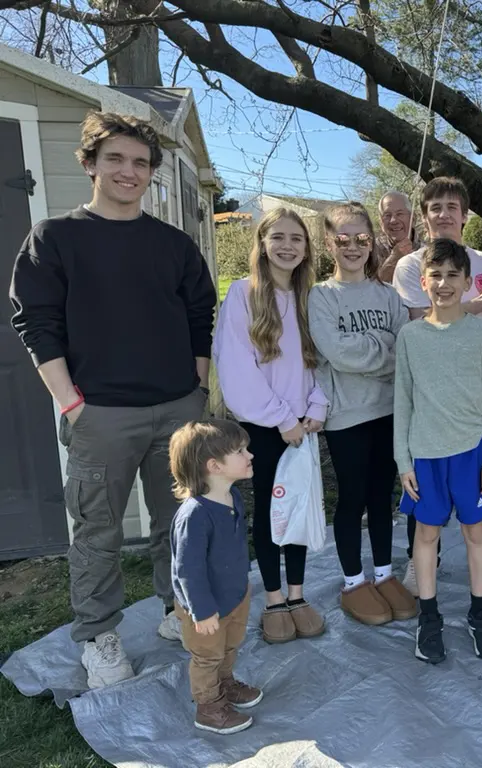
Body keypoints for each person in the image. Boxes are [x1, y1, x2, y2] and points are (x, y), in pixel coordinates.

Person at [8, 111, 215, 688]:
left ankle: (177, 611)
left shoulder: (174, 245)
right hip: (100, 414)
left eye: (140, 163)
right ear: (91, 163)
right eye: (116, 159)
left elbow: (202, 317)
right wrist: (72, 403)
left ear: (152, 173)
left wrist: (196, 389)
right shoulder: (54, 238)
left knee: (179, 521)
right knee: (97, 532)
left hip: (178, 409)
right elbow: (37, 324)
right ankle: (99, 636)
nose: (129, 172)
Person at [392, 176, 482, 595]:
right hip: (431, 395)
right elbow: (420, 317)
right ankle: (423, 559)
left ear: (465, 215)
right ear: (424, 216)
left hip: (476, 387)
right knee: (422, 484)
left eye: (452, 206)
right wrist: (476, 304)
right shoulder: (411, 266)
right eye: (435, 207)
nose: (444, 214)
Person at [213, 207, 328, 645]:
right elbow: (237, 367)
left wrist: (316, 406)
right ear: (261, 243)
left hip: (304, 425)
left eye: (296, 239)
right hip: (266, 425)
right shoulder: (243, 295)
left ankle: (298, 595)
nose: (287, 246)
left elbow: (319, 364)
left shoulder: (309, 298)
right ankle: (274, 598)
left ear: (307, 248)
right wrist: (281, 419)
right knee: (270, 509)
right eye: (277, 237)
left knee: (298, 508)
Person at [394, 239, 482, 664]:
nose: (443, 283)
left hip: (472, 453)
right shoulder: (410, 336)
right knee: (427, 535)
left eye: (452, 275)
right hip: (425, 454)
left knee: (476, 532)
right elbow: (402, 401)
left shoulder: (480, 332)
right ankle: (429, 617)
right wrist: (403, 461)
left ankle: (479, 612)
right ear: (424, 283)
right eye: (435, 276)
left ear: (466, 281)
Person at [309, 202, 416, 625]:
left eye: (362, 239)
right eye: (342, 239)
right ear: (328, 243)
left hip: (389, 411)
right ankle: (354, 580)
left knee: (382, 496)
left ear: (373, 242)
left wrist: (368, 350)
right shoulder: (320, 296)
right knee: (352, 498)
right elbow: (334, 350)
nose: (353, 247)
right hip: (346, 416)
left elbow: (403, 349)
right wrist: (381, 345)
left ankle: (385, 574)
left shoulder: (389, 296)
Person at [169, 420, 263, 735]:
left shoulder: (233, 497)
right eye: (240, 451)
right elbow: (188, 569)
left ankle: (225, 684)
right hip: (206, 606)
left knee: (230, 645)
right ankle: (209, 707)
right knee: (207, 656)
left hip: (235, 594)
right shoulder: (195, 515)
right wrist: (202, 610)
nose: (249, 455)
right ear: (215, 466)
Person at [376, 191, 421, 283]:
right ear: (381, 223)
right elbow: (367, 293)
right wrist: (392, 261)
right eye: (387, 215)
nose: (393, 220)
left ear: (413, 219)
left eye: (400, 214)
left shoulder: (427, 251)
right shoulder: (369, 251)